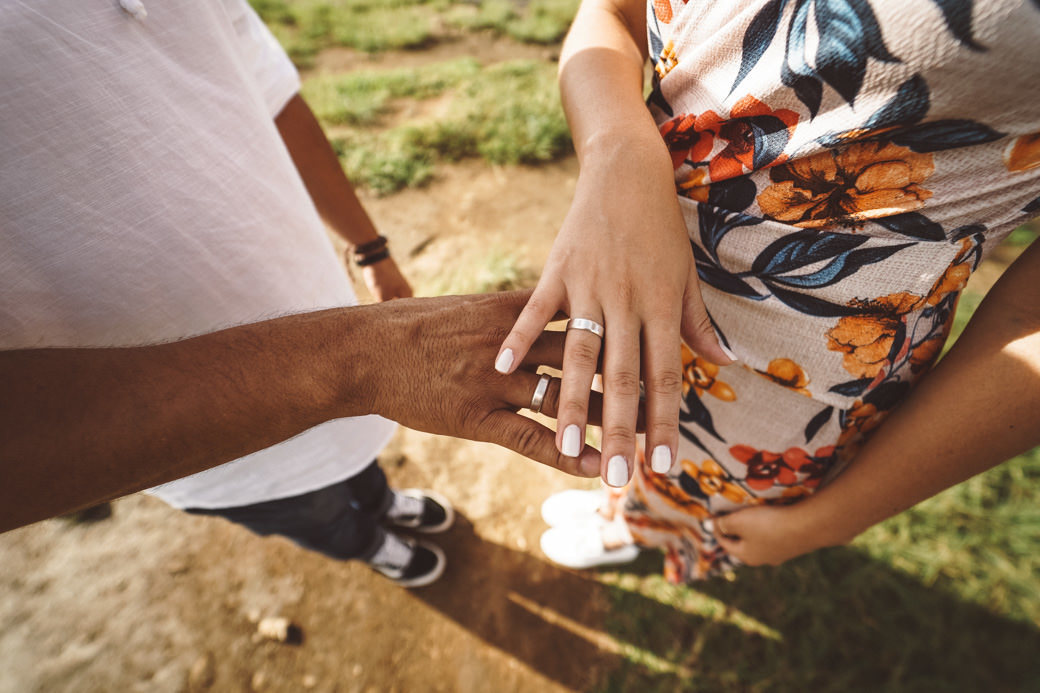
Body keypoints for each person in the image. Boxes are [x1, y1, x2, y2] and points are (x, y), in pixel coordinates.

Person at [0, 0, 601, 586]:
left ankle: (381, 504)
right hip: (192, 439)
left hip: (316, 302)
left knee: (355, 461)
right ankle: (370, 544)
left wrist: (372, 252)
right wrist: (362, 356)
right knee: (310, 511)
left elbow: (270, 92)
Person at [491, 0, 1040, 580]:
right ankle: (624, 509)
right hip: (630, 276)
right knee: (635, 421)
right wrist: (614, 149)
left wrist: (830, 520)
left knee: (706, 491)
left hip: (798, 365)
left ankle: (641, 532)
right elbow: (615, 13)